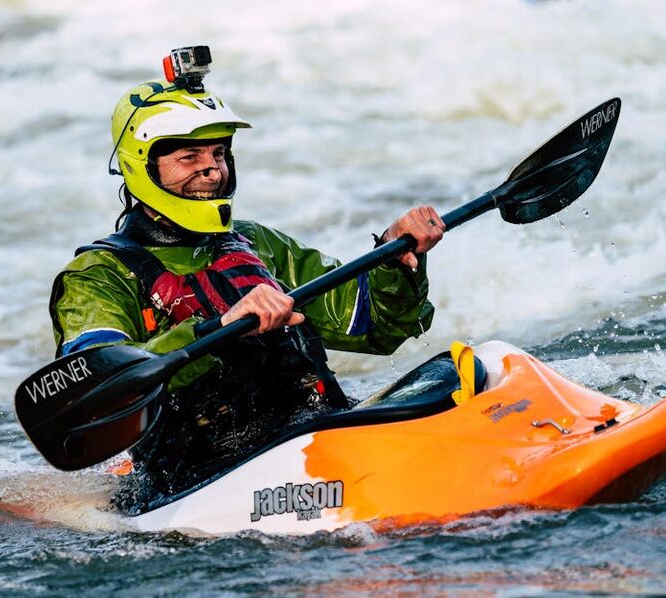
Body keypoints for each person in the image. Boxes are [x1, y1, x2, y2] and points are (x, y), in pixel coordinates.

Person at [49, 72, 445, 513]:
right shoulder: (98, 276)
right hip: (198, 481)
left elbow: (376, 328)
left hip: (319, 433)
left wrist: (395, 257)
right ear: (142, 166)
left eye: (219, 153)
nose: (211, 169)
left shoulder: (256, 243)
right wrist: (218, 327)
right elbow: (98, 391)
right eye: (188, 156)